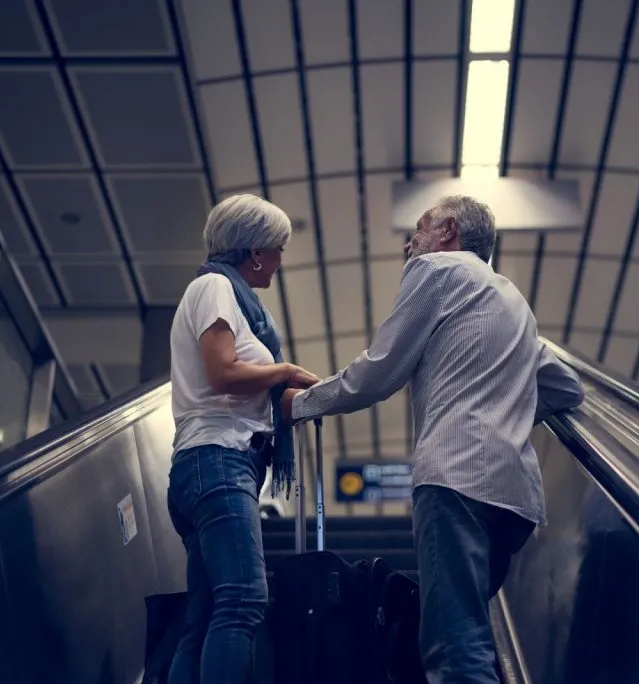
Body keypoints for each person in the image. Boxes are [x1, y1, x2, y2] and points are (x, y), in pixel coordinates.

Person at [282, 195, 585, 683]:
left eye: (420, 228)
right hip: (515, 501)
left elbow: (381, 371)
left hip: (455, 482)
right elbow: (568, 388)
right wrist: (505, 414)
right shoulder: (514, 303)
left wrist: (300, 404)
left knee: (454, 647)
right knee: (465, 631)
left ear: (448, 231)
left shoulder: (436, 270)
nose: (409, 244)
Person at [166, 194, 319, 683]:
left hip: (209, 465)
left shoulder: (229, 297)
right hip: (218, 460)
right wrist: (286, 370)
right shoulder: (214, 286)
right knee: (244, 598)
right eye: (278, 249)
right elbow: (224, 373)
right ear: (255, 251)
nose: (280, 260)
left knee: (204, 616)